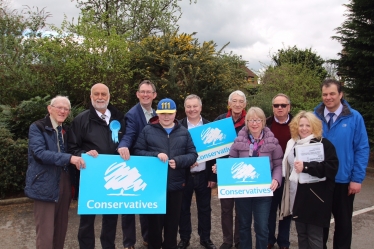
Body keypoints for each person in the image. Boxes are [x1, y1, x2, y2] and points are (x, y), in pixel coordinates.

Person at [133, 98, 198, 249]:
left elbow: (193, 154)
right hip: (154, 187)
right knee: (154, 226)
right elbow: (137, 151)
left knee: (172, 226)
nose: (166, 117)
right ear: (158, 113)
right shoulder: (148, 130)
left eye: (170, 113)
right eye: (163, 113)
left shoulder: (183, 131)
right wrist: (156, 154)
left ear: (175, 113)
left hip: (176, 186)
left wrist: (179, 161)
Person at [68, 83, 126, 249]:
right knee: (87, 218)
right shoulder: (81, 120)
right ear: (91, 97)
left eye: (104, 94)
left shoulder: (119, 118)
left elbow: (127, 141)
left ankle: (109, 246)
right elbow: (72, 147)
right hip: (90, 176)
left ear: (109, 97)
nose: (100, 97)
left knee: (111, 217)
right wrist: (83, 154)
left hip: (115, 176)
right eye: (96, 94)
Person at [314, 79, 369, 249]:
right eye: (325, 94)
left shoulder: (354, 117)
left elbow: (362, 148)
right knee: (319, 225)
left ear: (340, 94)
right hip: (319, 180)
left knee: (343, 225)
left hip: (344, 181)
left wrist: (357, 179)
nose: (328, 97)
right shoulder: (314, 117)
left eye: (332, 94)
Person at [25, 96, 85, 249]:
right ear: (49, 108)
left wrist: (86, 155)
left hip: (65, 181)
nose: (63, 111)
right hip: (45, 183)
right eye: (59, 107)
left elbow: (73, 150)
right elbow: (39, 154)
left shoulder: (65, 130)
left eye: (66, 109)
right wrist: (69, 158)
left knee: (61, 230)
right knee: (45, 234)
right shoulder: (37, 127)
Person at [223, 107, 283, 249]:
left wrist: (276, 179)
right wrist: (221, 169)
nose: (254, 123)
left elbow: (278, 164)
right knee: (243, 226)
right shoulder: (238, 141)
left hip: (263, 191)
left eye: (257, 120)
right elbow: (232, 162)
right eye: (250, 120)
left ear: (263, 122)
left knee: (262, 227)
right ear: (246, 122)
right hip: (243, 191)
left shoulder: (272, 142)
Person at [280, 111, 339, 249]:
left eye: (308, 125)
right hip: (297, 195)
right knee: (302, 234)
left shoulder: (324, 144)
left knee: (314, 237)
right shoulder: (292, 143)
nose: (304, 128)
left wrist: (306, 167)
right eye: (301, 125)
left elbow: (331, 168)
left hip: (316, 198)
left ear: (314, 127)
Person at [118, 80, 157, 249]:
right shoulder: (132, 114)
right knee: (129, 205)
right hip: (134, 162)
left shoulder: (157, 113)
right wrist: (123, 145)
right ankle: (128, 243)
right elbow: (129, 133)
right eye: (142, 91)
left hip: (152, 163)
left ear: (154, 95)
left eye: (149, 92)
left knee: (147, 203)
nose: (145, 94)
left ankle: (147, 238)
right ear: (137, 94)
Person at [177, 94, 217, 249]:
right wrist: (186, 161)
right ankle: (184, 238)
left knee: (205, 209)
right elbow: (175, 150)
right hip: (184, 175)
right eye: (189, 106)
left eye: (195, 106)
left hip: (204, 175)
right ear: (185, 108)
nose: (192, 109)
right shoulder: (178, 127)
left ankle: (205, 238)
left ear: (201, 107)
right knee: (183, 209)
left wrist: (213, 175)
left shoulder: (210, 126)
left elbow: (216, 153)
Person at [214, 90, 247, 249]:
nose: (237, 104)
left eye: (241, 101)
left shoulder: (250, 121)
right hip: (225, 171)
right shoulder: (220, 121)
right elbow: (212, 148)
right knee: (226, 210)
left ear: (245, 104)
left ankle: (239, 241)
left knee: (241, 210)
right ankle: (227, 241)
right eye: (234, 101)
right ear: (229, 103)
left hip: (243, 171)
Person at [266, 93, 293, 249]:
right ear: (273, 108)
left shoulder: (297, 125)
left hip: (289, 176)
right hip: (269, 176)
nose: (280, 108)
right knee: (269, 210)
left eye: (283, 105)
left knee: (286, 211)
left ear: (289, 107)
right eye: (277, 105)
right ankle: (270, 240)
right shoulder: (266, 124)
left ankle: (284, 241)